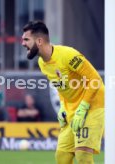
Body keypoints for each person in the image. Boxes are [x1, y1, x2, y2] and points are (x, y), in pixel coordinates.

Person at [21, 21, 104, 164]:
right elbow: (61, 86)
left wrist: (83, 108)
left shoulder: (68, 54)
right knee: (62, 156)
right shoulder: (42, 63)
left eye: (26, 39)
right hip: (72, 108)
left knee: (82, 154)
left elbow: (95, 80)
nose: (22, 43)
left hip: (92, 105)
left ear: (39, 41)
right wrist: (63, 108)